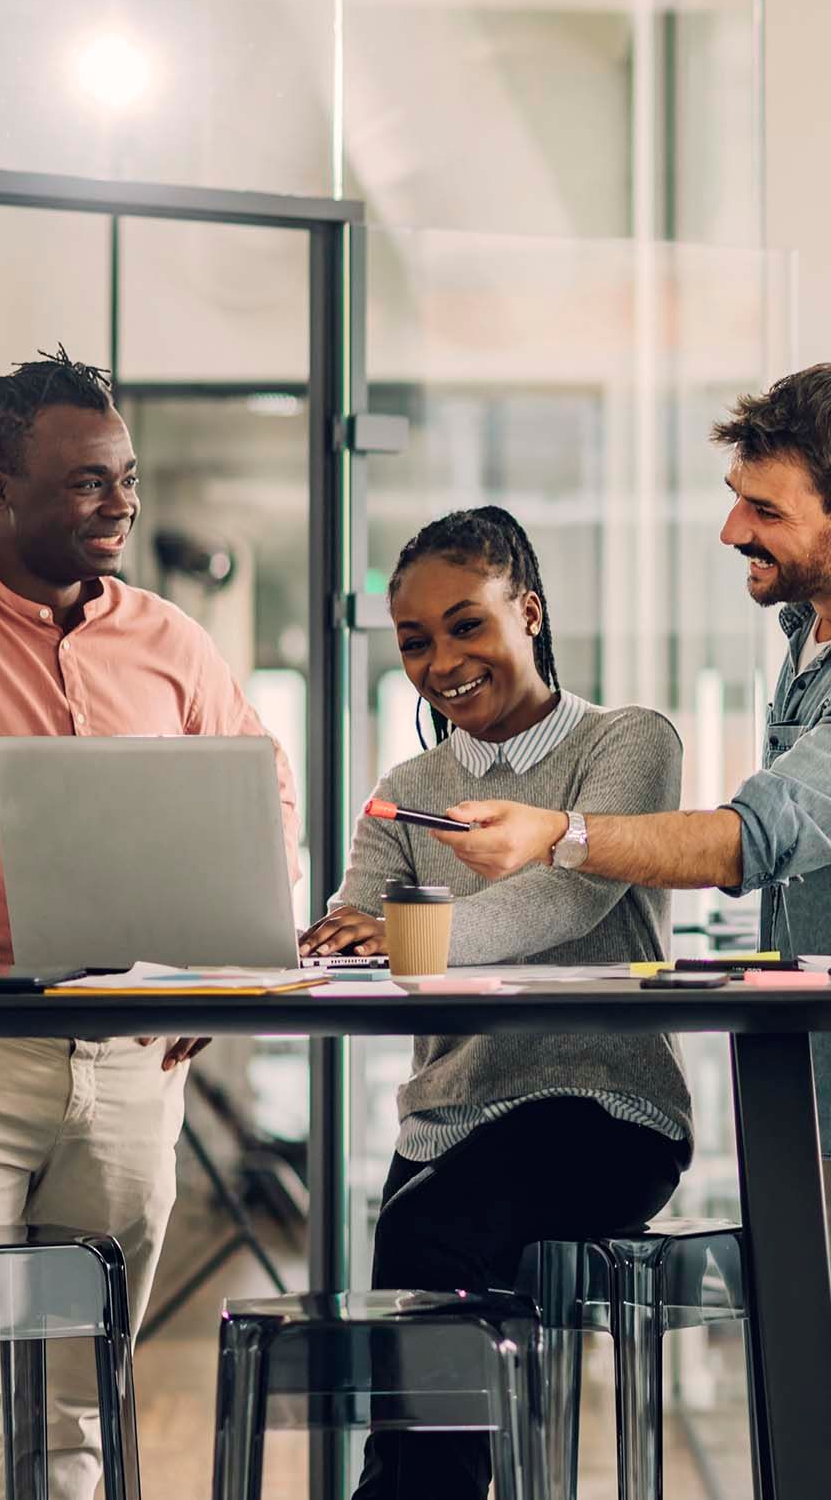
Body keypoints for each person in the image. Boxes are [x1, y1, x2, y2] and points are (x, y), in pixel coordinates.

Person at [432, 363, 831, 1500]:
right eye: (735, 495)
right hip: (827, 1080)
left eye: (764, 510)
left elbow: (752, 839)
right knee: (830, 1437)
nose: (731, 527)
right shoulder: (826, 620)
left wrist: (560, 834)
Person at [0, 348, 300, 1500]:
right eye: (86, 482)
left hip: (133, 1059)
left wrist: (219, 966)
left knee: (76, 1401)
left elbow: (260, 798)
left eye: (124, 478)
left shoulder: (172, 641)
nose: (119, 502)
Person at [300, 506, 692, 1500]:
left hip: (606, 1107)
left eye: (467, 623)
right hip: (446, 1121)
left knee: (432, 1233)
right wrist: (344, 937)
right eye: (416, 641)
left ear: (529, 608)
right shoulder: (407, 784)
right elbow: (355, 922)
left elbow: (566, 893)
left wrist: (405, 936)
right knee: (425, 1234)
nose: (443, 660)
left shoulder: (627, 741)